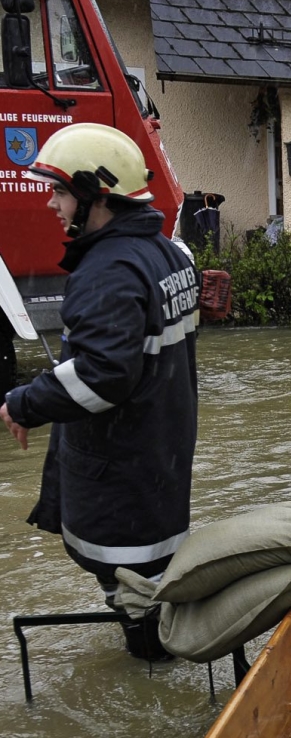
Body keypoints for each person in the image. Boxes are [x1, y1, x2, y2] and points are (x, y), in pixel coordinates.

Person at [0, 123, 199, 660]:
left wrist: (22, 402)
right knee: (155, 582)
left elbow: (101, 375)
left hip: (120, 471)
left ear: (97, 196)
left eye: (59, 191)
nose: (50, 203)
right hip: (163, 456)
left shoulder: (108, 271)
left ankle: (150, 681)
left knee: (132, 596)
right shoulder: (170, 254)